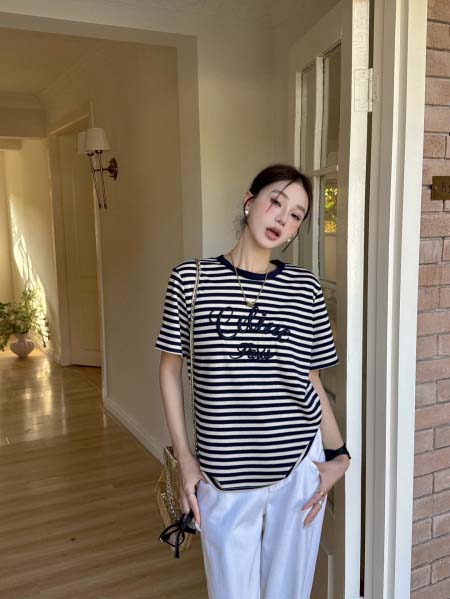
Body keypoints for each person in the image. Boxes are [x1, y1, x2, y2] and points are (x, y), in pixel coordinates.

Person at [155, 163, 351, 598]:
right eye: (276, 202)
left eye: (296, 215)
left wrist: (339, 456)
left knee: (288, 591)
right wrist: (185, 459)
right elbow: (169, 369)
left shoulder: (305, 288)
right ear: (249, 201)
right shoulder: (192, 278)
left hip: (298, 465)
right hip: (223, 468)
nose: (282, 218)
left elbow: (311, 380)